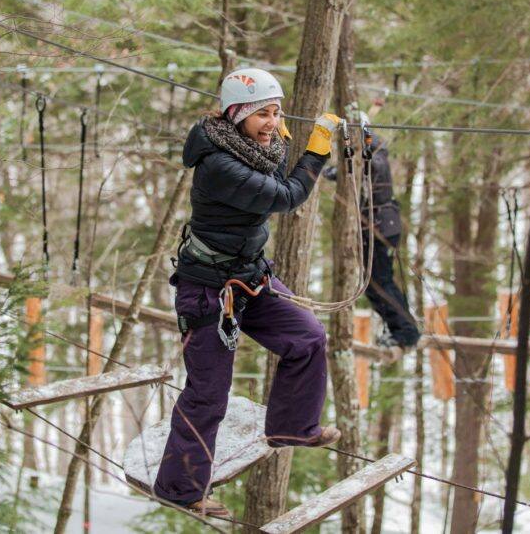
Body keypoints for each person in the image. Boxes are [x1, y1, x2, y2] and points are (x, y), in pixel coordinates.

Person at [152, 68, 343, 519]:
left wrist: (280, 142)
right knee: (208, 394)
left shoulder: (249, 146)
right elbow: (286, 195)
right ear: (234, 115)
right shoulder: (218, 165)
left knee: (308, 338)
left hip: (250, 279)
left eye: (275, 113)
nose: (271, 123)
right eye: (261, 114)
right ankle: (178, 487)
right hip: (207, 292)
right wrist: (313, 153)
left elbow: (272, 170)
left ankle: (293, 428)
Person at [325, 97, 420, 347]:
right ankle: (402, 328)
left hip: (379, 226)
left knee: (379, 283)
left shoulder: (372, 154)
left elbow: (361, 168)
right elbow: (351, 170)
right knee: (375, 285)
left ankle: (405, 331)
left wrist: (338, 167)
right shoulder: (369, 151)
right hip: (381, 224)